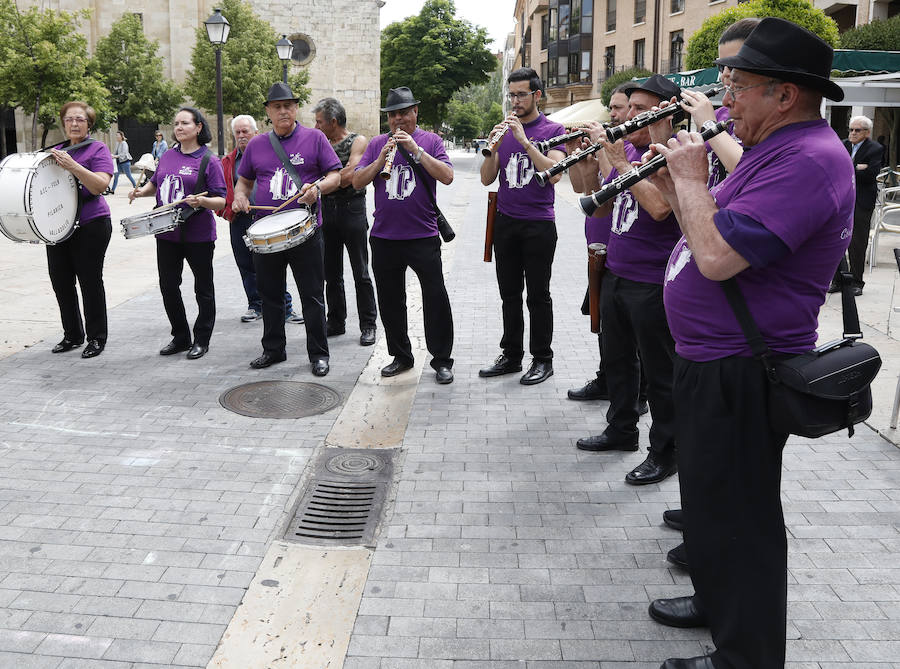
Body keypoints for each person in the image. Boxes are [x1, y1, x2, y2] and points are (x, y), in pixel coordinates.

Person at [643, 18, 853, 669]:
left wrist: (688, 177)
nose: (726, 100)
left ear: (784, 94)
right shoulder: (771, 148)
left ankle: (745, 655)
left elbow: (715, 254)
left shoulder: (810, 161)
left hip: (742, 368)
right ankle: (716, 599)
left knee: (743, 519)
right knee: (710, 504)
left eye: (739, 86)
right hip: (712, 360)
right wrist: (681, 182)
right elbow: (703, 225)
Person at [651, 16, 760, 569]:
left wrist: (710, 128)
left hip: (737, 347)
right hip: (701, 337)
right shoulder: (730, 123)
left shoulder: (766, 141)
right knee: (707, 467)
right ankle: (702, 527)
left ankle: (716, 557)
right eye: (723, 71)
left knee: (732, 479)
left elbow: (744, 179)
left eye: (736, 71)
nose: (726, 81)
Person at [574, 74, 683, 488]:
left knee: (660, 374)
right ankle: (621, 430)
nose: (631, 115)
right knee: (618, 361)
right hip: (617, 272)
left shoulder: (670, 152)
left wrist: (619, 163)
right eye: (629, 107)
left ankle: (665, 452)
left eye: (640, 108)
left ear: (665, 108)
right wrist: (591, 162)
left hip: (653, 282)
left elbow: (659, 210)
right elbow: (599, 213)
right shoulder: (629, 151)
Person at [232, 83, 341, 377]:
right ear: (268, 111)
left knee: (312, 296)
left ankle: (318, 354)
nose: (283, 111)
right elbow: (244, 182)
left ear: (295, 109)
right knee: (270, 294)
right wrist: (240, 196)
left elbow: (336, 175)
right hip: (267, 234)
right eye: (277, 106)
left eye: (289, 105)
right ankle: (273, 350)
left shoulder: (315, 138)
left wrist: (317, 188)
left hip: (305, 232)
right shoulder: (256, 144)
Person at [352, 86, 455, 385]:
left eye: (403, 113)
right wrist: (380, 157)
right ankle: (401, 356)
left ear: (415, 113)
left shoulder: (431, 141)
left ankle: (442, 360)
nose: (398, 119)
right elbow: (357, 181)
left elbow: (447, 177)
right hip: (384, 237)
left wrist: (415, 151)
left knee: (435, 297)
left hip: (422, 235)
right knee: (390, 299)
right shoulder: (375, 144)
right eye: (392, 114)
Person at [476, 68, 565, 385]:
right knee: (509, 294)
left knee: (538, 295)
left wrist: (526, 142)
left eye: (521, 95)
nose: (514, 101)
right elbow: (487, 178)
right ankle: (511, 355)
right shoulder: (502, 131)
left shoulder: (554, 129)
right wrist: (494, 148)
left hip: (539, 224)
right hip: (506, 222)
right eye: (511, 95)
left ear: (537, 95)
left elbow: (554, 173)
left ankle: (543, 358)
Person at [566, 84, 646, 412]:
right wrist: (577, 155)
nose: (613, 114)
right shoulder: (614, 145)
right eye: (612, 107)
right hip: (598, 246)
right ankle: (606, 379)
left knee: (630, 336)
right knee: (605, 326)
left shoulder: (630, 150)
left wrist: (602, 149)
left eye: (619, 108)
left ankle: (637, 394)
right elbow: (585, 190)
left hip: (623, 252)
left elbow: (620, 194)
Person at [129, 107, 227, 360]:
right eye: (176, 123)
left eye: (185, 123)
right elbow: (157, 183)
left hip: (199, 235)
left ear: (198, 128)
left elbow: (221, 200)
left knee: (203, 289)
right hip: (166, 234)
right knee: (168, 286)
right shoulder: (169, 156)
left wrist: (202, 202)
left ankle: (202, 339)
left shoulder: (209, 160)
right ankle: (181, 336)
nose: (179, 127)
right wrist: (141, 192)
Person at [45, 101, 115, 359]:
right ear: (63, 123)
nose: (74, 123)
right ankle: (72, 334)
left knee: (90, 281)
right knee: (61, 282)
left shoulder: (97, 148)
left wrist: (72, 165)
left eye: (80, 119)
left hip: (91, 224)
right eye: (69, 119)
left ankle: (97, 337)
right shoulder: (55, 151)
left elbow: (99, 186)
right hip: (57, 227)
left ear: (89, 124)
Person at [218, 114, 301, 324]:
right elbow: (225, 190)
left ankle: (286, 308)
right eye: (237, 132)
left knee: (274, 266)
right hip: (241, 220)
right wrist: (230, 207)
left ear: (256, 132)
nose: (241, 136)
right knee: (246, 265)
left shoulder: (270, 153)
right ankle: (255, 305)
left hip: (268, 219)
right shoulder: (228, 161)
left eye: (245, 131)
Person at [313, 97, 378, 346]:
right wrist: (331, 180)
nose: (316, 126)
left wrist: (325, 180)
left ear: (333, 121)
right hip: (326, 210)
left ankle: (368, 324)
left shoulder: (357, 140)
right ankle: (336, 322)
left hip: (352, 210)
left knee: (360, 271)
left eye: (319, 121)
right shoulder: (319, 142)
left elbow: (351, 176)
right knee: (331, 272)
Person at [828, 115, 881, 296]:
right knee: (835, 240)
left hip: (862, 201)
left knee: (857, 243)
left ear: (867, 132)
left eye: (857, 130)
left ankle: (857, 282)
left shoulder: (875, 148)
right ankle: (838, 280)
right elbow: (833, 170)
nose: (853, 133)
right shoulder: (841, 145)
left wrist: (848, 168)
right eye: (851, 129)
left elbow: (870, 174)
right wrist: (856, 167)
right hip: (841, 200)